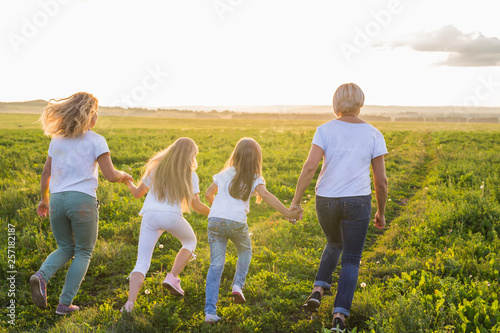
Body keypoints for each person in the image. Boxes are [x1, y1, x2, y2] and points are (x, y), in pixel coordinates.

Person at [290, 83, 388, 332]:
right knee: (352, 259)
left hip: (325, 200)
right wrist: (381, 211)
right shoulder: (374, 133)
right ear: (360, 104)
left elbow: (309, 167)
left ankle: (317, 289)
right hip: (357, 201)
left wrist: (296, 201)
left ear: (335, 105)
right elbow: (381, 181)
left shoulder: (324, 130)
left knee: (334, 242)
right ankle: (339, 317)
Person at [31, 92, 132, 315]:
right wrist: (124, 175)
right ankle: (64, 304)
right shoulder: (97, 140)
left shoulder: (57, 140)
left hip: (57, 199)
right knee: (84, 251)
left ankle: (41, 276)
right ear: (88, 116)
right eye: (95, 113)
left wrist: (43, 199)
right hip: (82, 201)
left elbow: (46, 172)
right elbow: (110, 175)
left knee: (65, 247)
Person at [203, 137, 302, 323]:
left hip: (214, 220)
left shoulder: (224, 173)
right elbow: (265, 195)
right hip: (237, 222)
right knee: (245, 251)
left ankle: (209, 312)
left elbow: (208, 194)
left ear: (236, 154)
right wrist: (288, 213)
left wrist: (219, 210)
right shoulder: (255, 177)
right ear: (257, 158)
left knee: (216, 264)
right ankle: (237, 285)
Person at [121, 137, 210, 313]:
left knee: (142, 262)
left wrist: (127, 181)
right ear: (191, 156)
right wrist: (216, 213)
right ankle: (172, 277)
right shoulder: (191, 175)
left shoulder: (156, 168)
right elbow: (196, 205)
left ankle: (129, 305)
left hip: (150, 216)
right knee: (190, 242)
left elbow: (138, 194)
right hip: (171, 216)